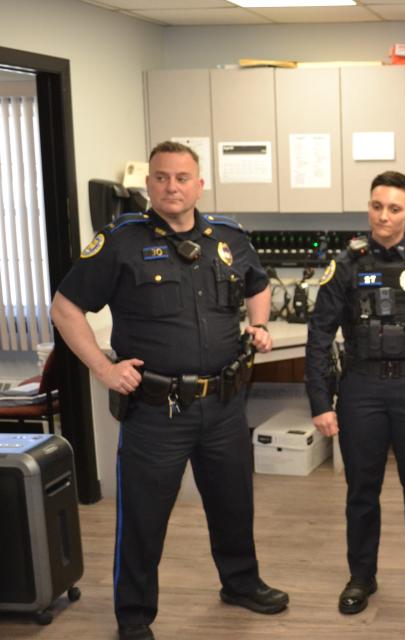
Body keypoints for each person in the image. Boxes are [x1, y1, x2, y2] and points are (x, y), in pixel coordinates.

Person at [50, 141, 288, 640]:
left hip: (224, 402)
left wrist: (259, 325)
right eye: (161, 177)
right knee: (143, 517)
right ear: (148, 184)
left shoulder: (228, 236)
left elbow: (258, 283)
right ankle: (134, 617)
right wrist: (102, 367)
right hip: (158, 411)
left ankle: (240, 583)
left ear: (199, 184)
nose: (172, 186)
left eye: (182, 177)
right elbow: (65, 307)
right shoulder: (121, 241)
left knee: (233, 503)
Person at [305, 170, 405, 615]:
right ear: (370, 209)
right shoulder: (346, 264)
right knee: (362, 489)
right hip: (362, 388)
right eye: (377, 206)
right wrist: (321, 401)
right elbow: (319, 334)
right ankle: (361, 576)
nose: (384, 215)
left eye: (394, 208)